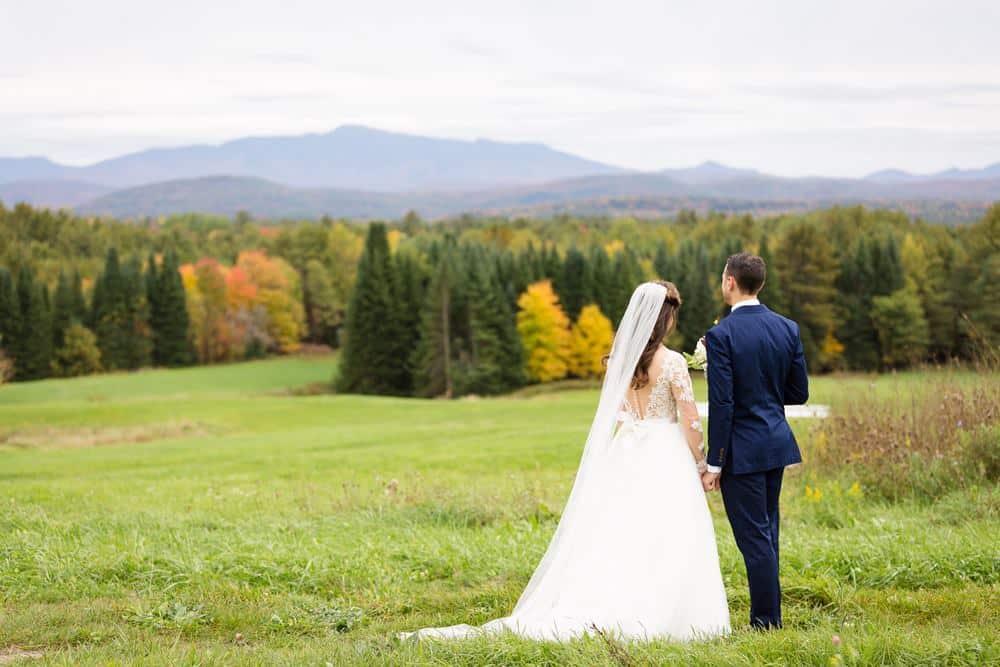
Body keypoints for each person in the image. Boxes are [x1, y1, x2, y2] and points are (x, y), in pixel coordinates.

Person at [402, 281, 730, 642]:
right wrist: (702, 464)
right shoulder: (672, 363)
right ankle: (666, 614)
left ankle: (612, 601)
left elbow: (620, 411)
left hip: (626, 452)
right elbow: (691, 421)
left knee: (617, 532)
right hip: (664, 452)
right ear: (666, 320)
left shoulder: (621, 359)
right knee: (667, 533)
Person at [701, 252, 809, 630]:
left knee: (755, 539)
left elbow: (723, 403)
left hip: (742, 453)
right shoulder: (787, 328)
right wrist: (766, 394)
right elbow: (798, 392)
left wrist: (715, 463)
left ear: (730, 281)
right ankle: (770, 616)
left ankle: (766, 623)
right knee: (767, 531)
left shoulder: (721, 336)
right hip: (775, 444)